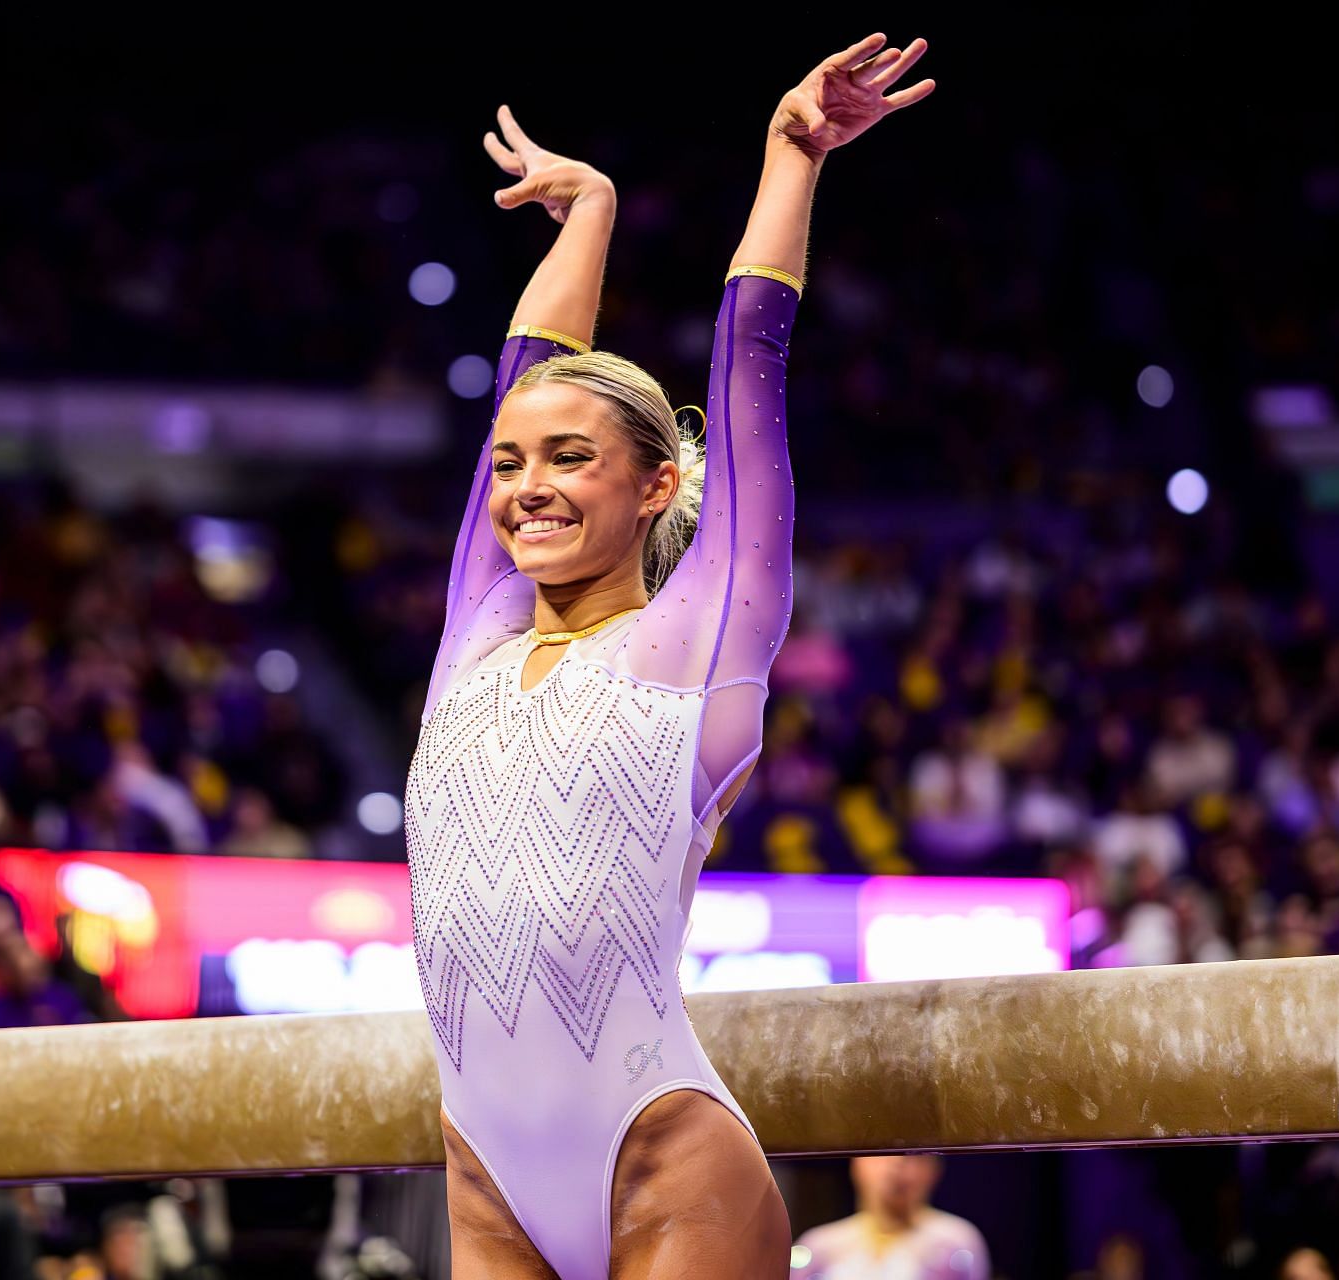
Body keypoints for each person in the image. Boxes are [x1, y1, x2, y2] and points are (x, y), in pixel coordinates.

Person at [401, 34, 935, 1280]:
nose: (527, 489)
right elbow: (528, 377)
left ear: (659, 484)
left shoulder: (693, 639)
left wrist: (792, 155)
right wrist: (587, 213)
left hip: (662, 1155)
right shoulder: (476, 632)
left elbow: (751, 366)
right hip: (485, 1175)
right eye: (510, 466)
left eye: (572, 460)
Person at [793, 1155, 990, 1279]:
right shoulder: (818, 1246)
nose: (897, 1164)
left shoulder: (956, 1241)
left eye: (914, 1155)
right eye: (881, 1153)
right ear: (856, 1163)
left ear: (934, 1170)